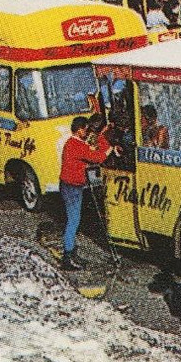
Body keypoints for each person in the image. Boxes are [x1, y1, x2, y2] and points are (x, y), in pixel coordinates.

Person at [59, 115, 111, 270]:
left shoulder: (72, 143)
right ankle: (67, 257)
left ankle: (71, 252)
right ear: (80, 130)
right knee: (73, 220)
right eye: (86, 130)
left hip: (68, 185)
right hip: (72, 187)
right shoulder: (77, 145)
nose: (88, 133)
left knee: (73, 219)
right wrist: (109, 150)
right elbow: (97, 157)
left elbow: (89, 150)